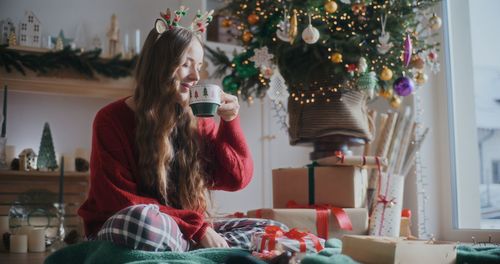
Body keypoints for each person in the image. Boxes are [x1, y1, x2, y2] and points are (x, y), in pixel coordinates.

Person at [78, 8, 286, 252]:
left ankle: (192, 249)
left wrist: (230, 122)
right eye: (186, 65)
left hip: (184, 230)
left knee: (274, 231)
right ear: (159, 66)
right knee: (141, 221)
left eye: (199, 66)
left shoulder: (197, 117)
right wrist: (197, 229)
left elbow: (236, 178)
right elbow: (120, 201)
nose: (196, 76)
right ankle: (203, 249)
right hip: (129, 227)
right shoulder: (110, 119)